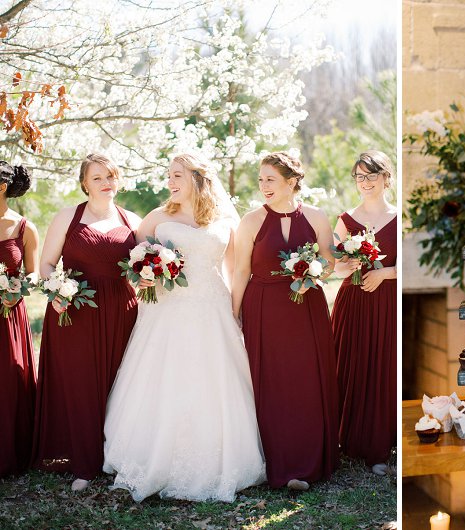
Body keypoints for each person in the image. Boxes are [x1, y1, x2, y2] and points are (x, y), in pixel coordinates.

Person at [103, 153, 265, 502]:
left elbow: (237, 270)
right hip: (167, 309)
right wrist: (145, 277)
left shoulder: (224, 218)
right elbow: (133, 258)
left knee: (214, 377)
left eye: (177, 175)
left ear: (197, 177)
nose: (170, 182)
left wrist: (235, 312)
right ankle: (152, 454)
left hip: (212, 306)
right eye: (168, 176)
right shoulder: (159, 217)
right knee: (165, 375)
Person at [31, 154, 140, 492]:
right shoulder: (68, 217)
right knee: (80, 384)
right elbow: (46, 264)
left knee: (117, 383)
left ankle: (115, 456)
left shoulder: (133, 220)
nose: (106, 182)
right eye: (97, 178)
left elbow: (142, 267)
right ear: (84, 184)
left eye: (110, 175)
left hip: (120, 310)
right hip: (74, 310)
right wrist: (56, 291)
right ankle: (83, 462)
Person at [232, 151, 339, 490]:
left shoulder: (317, 216)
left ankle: (310, 461)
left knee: (307, 379)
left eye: (271, 180)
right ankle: (281, 463)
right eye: (261, 179)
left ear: (291, 182)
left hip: (306, 305)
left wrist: (313, 268)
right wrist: (234, 314)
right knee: (273, 381)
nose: (263, 186)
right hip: (264, 306)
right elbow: (241, 270)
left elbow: (330, 259)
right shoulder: (250, 221)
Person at [331, 151, 397, 475]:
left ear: (386, 178)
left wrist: (385, 274)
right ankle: (345, 440)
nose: (365, 182)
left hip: (386, 303)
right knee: (351, 364)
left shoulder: (399, 218)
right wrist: (350, 264)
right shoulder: (345, 220)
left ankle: (378, 446)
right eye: (360, 176)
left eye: (371, 176)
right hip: (353, 303)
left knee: (381, 367)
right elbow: (335, 267)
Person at [0, 161, 39, 478]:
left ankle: (12, 455)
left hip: (9, 313)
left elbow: (35, 272)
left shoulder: (24, 227)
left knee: (10, 379)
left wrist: (18, 289)